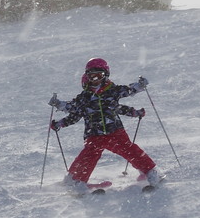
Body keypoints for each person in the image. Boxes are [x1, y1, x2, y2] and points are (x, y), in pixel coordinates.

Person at [48, 58, 163, 195]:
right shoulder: (85, 97)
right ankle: (76, 182)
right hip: (94, 134)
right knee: (89, 155)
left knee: (130, 150)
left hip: (115, 131)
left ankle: (151, 172)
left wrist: (140, 86)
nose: (95, 79)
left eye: (99, 75)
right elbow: (72, 109)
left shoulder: (112, 90)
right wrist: (58, 105)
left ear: (105, 75)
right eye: (91, 76)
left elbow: (127, 91)